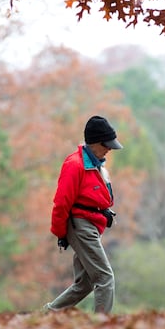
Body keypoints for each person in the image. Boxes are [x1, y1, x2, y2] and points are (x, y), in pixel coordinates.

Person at [44, 115, 123, 314]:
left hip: (91, 226)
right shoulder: (75, 164)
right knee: (105, 278)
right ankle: (102, 325)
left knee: (85, 283)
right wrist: (61, 233)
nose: (109, 149)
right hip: (81, 226)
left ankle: (48, 314)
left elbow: (94, 198)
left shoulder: (96, 164)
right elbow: (61, 203)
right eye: (106, 145)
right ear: (94, 142)